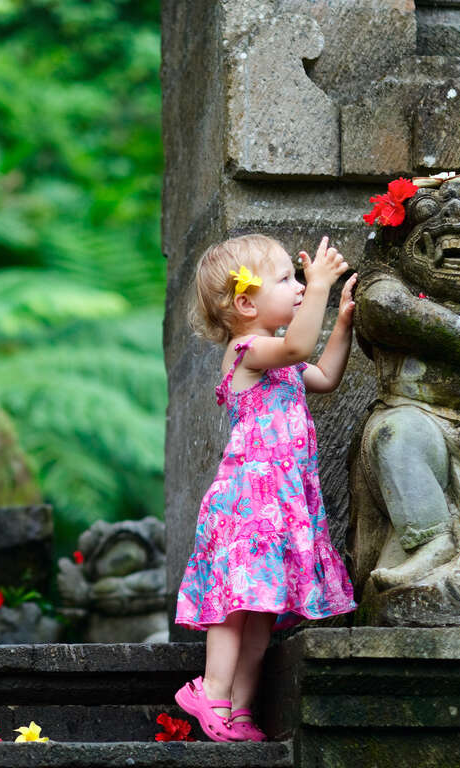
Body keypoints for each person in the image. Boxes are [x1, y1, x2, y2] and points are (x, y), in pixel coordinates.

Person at [173, 234, 358, 742]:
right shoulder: (248, 349)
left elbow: (322, 373)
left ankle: (239, 709)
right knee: (233, 609)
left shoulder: (283, 361)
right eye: (286, 279)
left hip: (281, 504)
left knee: (260, 619)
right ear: (245, 303)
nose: (298, 287)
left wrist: (340, 323)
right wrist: (321, 285)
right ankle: (208, 693)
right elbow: (299, 343)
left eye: (299, 279)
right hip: (248, 504)